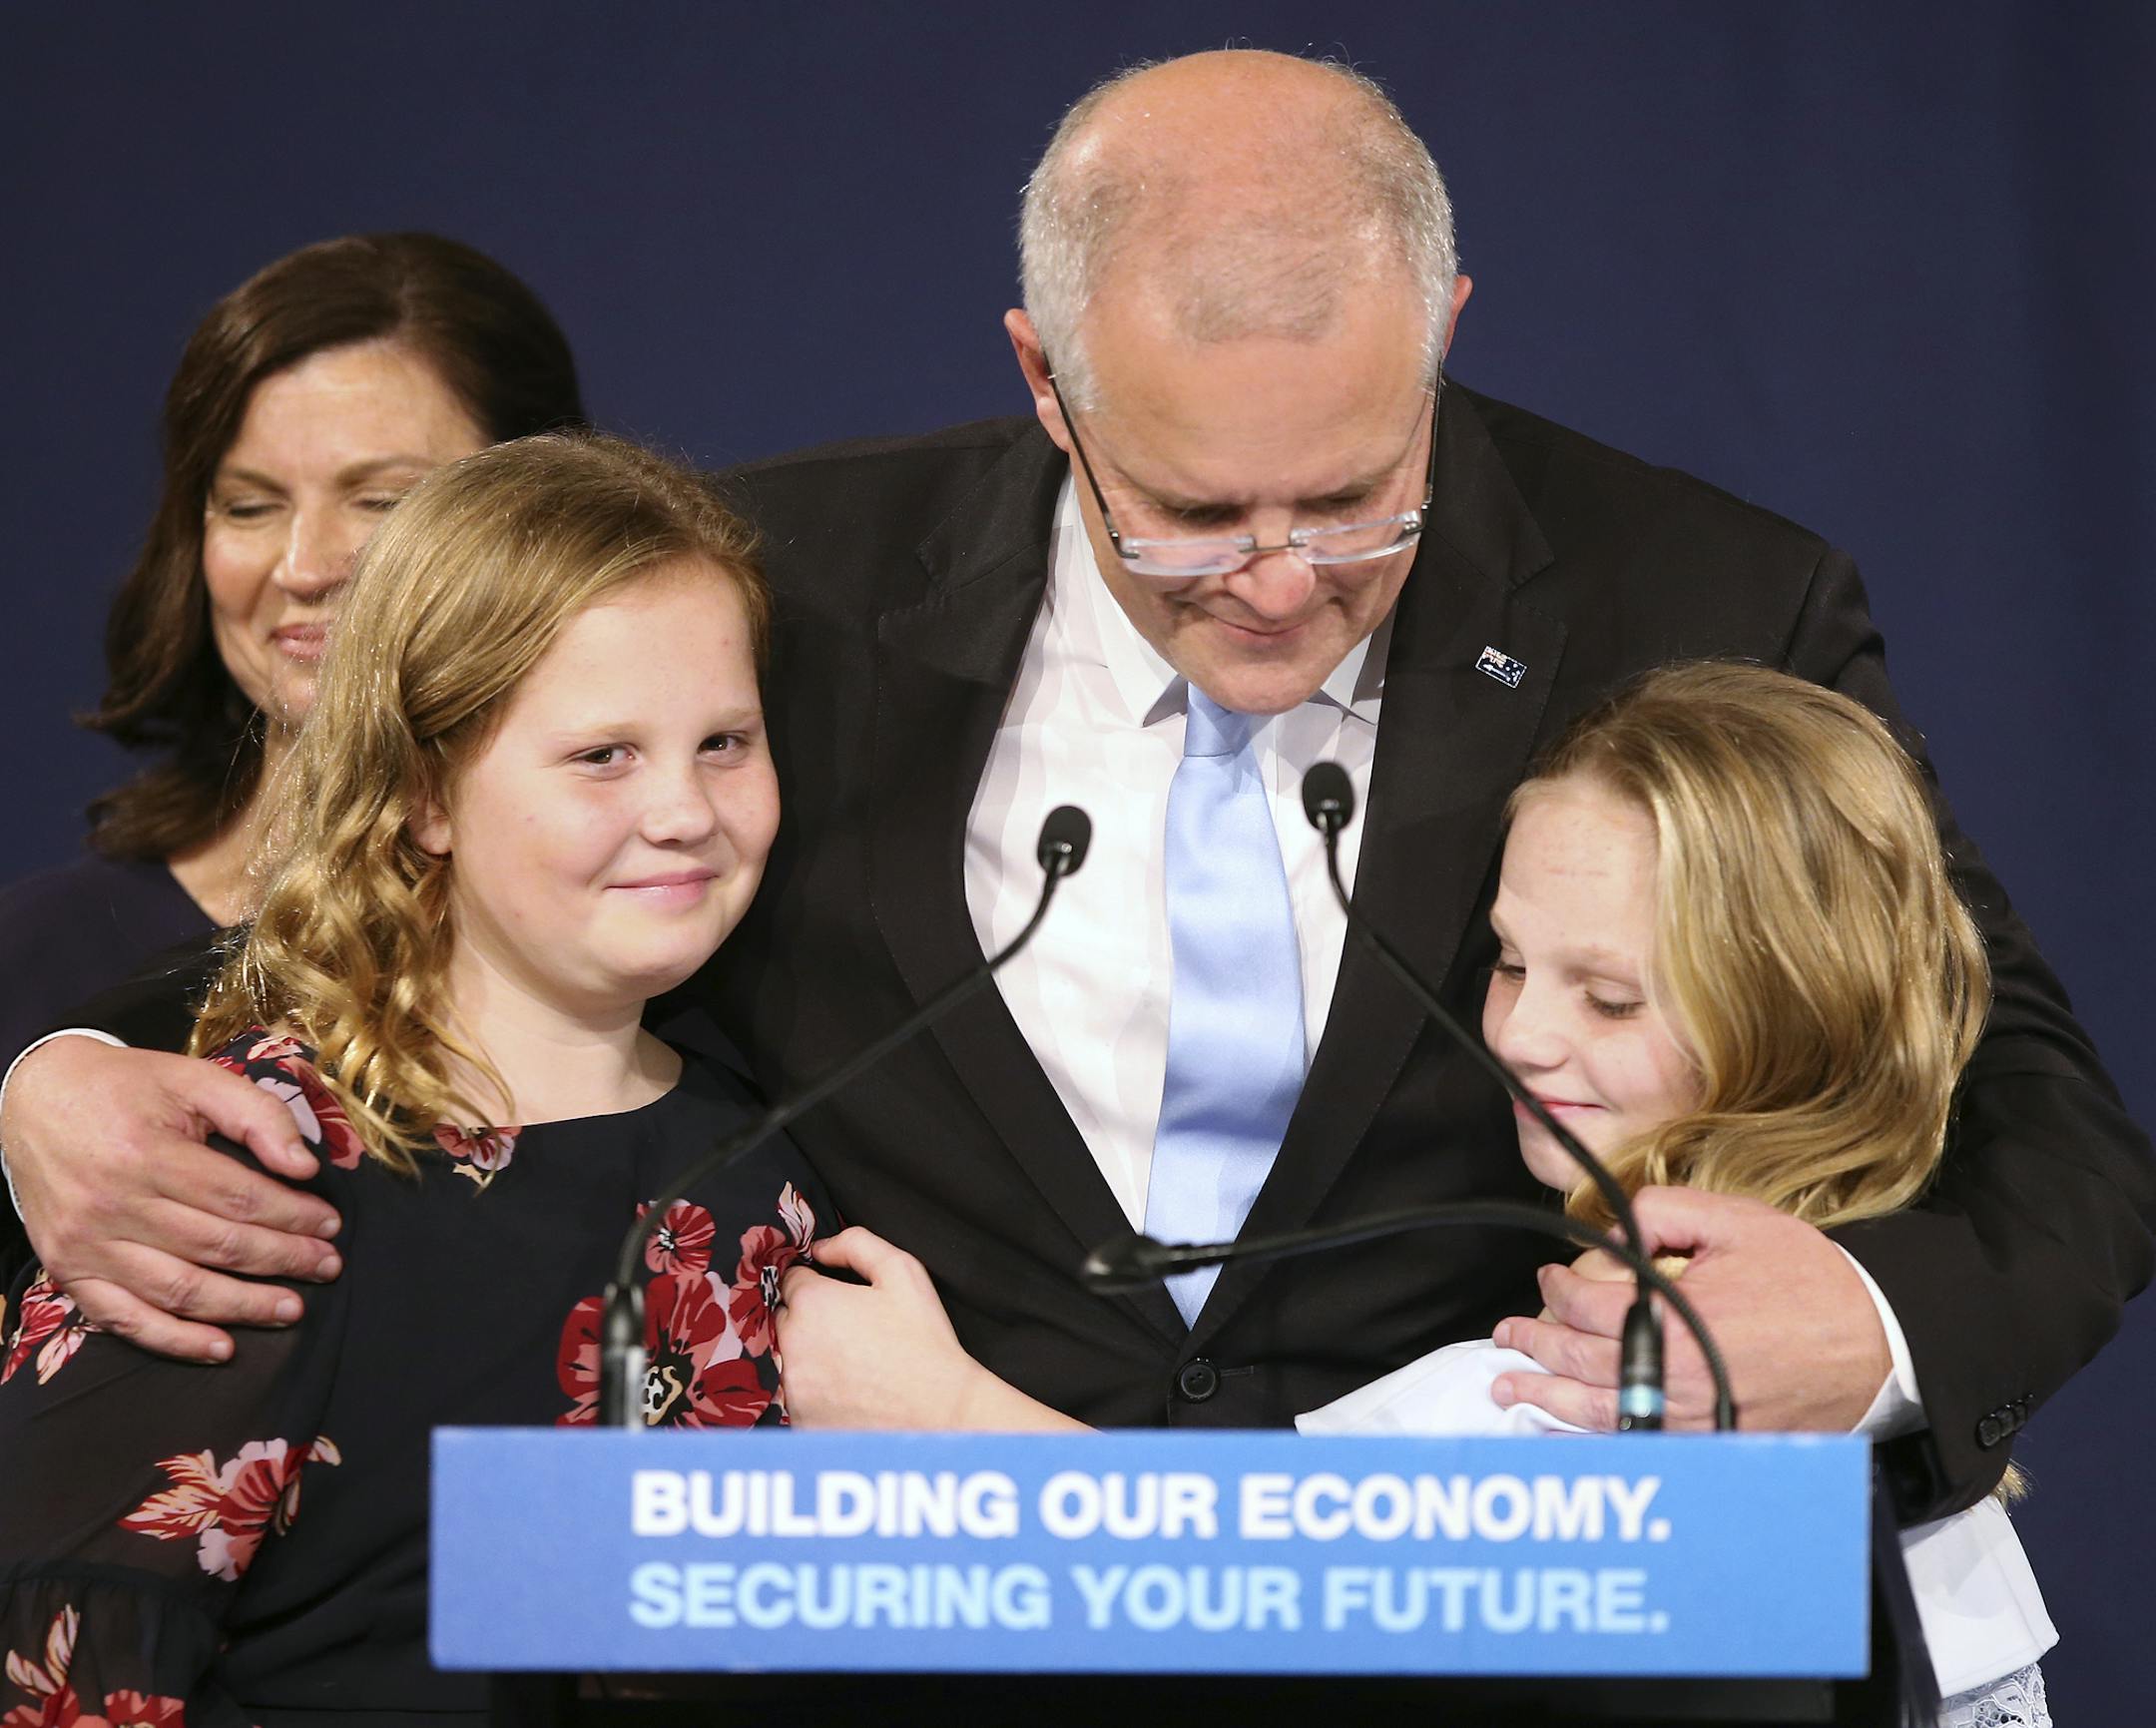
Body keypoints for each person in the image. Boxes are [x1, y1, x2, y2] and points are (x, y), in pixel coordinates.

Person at [3, 53, 2150, 1526]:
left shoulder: (1711, 591)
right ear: (1046, 382)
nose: (1287, 580)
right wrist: (55, 1070)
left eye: (1360, 492)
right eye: (1198, 512)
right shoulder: (781, 584)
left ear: (1447, 326)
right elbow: (429, 932)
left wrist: (1859, 1321)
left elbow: (2048, 1118)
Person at [0, 433, 830, 1723]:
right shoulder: (249, 1175)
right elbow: (64, 1663)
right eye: (603, 753)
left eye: (725, 739)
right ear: (424, 791)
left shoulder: (763, 1153)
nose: (684, 809)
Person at [1285, 662, 2056, 1724]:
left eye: (1609, 1000)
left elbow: (1115, 1593)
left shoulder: (1510, 1424)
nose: (1517, 1038)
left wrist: (959, 1398)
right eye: (1509, 963)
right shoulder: (1927, 1466)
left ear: (1792, 1015)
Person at [0, 232, 586, 1280]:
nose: (306, 565)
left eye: (384, 500)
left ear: (541, 518)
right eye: (249, 504)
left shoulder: (642, 935)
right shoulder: (41, 959)